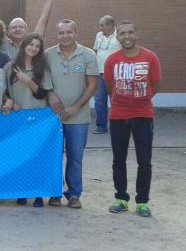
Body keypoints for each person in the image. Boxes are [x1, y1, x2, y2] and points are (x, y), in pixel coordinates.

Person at [105, 21, 161, 217]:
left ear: (136, 34)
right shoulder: (112, 60)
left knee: (144, 160)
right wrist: (123, 102)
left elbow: (155, 85)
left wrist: (139, 101)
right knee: (118, 160)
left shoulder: (150, 57)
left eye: (130, 32)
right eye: (122, 33)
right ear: (117, 36)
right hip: (118, 116)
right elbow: (110, 87)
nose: (126, 36)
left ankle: (142, 202)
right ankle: (121, 198)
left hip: (143, 116)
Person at [46, 19, 98, 209]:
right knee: (54, 156)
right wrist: (51, 96)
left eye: (69, 32)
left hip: (78, 117)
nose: (65, 36)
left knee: (75, 157)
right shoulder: (48, 55)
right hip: (53, 117)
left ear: (76, 33)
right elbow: (45, 81)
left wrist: (75, 107)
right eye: (61, 33)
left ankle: (74, 194)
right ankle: (54, 193)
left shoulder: (88, 55)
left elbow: (93, 84)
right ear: (57, 34)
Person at [4, 33, 53, 207]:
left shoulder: (42, 68)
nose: (33, 48)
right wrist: (9, 101)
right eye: (30, 44)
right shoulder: (10, 67)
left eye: (37, 46)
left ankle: (38, 194)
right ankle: (22, 192)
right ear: (24, 45)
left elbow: (41, 94)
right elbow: (6, 92)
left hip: (38, 117)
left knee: (37, 157)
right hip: (18, 118)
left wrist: (27, 80)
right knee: (20, 157)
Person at [92, 15, 121, 134]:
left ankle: (117, 126)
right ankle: (101, 126)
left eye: (102, 25)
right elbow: (95, 51)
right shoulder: (98, 35)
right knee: (99, 101)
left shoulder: (119, 35)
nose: (100, 27)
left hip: (114, 75)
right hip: (99, 73)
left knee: (115, 100)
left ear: (110, 25)